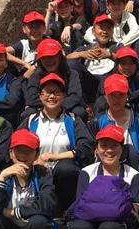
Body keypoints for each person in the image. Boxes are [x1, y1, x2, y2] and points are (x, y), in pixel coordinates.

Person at [21, 73, 93, 215]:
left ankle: (66, 212)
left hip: (64, 173)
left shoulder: (73, 120)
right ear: (40, 95)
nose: (52, 96)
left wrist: (55, 156)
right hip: (36, 170)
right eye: (47, 92)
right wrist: (33, 161)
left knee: (66, 169)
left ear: (64, 95)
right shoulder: (30, 120)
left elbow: (85, 147)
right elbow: (17, 147)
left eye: (56, 92)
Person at [89, 73, 139, 175]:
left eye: (121, 95)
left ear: (127, 95)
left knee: (131, 151)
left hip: (134, 174)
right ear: (105, 96)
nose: (116, 99)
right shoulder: (97, 122)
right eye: (112, 95)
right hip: (105, 175)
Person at [24, 39, 86, 121]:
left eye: (52, 57)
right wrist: (49, 107)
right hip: (42, 108)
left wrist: (57, 107)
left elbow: (75, 96)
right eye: (45, 58)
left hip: (66, 108)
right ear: (39, 60)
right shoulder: (35, 76)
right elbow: (32, 99)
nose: (49, 61)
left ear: (60, 57)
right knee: (28, 113)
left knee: (79, 112)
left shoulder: (71, 74)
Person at [7, 12, 48, 79]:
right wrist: (23, 63)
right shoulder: (24, 44)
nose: (34, 30)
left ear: (44, 28)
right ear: (24, 29)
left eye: (38, 26)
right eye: (31, 27)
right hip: (26, 80)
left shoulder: (50, 44)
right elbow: (2, 52)